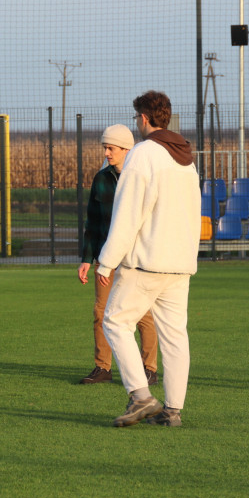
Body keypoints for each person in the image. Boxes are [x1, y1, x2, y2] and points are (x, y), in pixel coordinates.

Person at [97, 91, 200, 428]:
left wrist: (106, 261)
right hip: (180, 262)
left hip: (146, 261)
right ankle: (172, 411)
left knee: (115, 320)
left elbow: (128, 214)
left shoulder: (142, 154)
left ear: (143, 118)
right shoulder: (185, 157)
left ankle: (141, 396)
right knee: (175, 335)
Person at [77, 124, 159, 386]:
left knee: (143, 314)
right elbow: (93, 222)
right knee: (101, 312)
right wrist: (86, 260)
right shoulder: (101, 179)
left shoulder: (140, 177)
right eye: (105, 148)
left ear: (127, 149)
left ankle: (149, 369)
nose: (107, 153)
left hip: (135, 258)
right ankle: (102, 368)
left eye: (111, 148)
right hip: (105, 258)